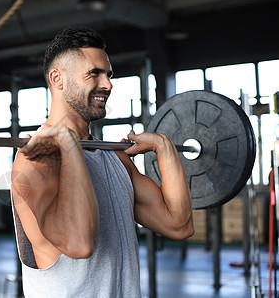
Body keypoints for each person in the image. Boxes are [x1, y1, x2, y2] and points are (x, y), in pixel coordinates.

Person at [10, 26, 194, 297]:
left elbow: (179, 225)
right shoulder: (35, 161)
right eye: (94, 74)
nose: (107, 84)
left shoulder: (113, 155)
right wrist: (69, 147)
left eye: (108, 74)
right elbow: (79, 244)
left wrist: (164, 147)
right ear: (57, 78)